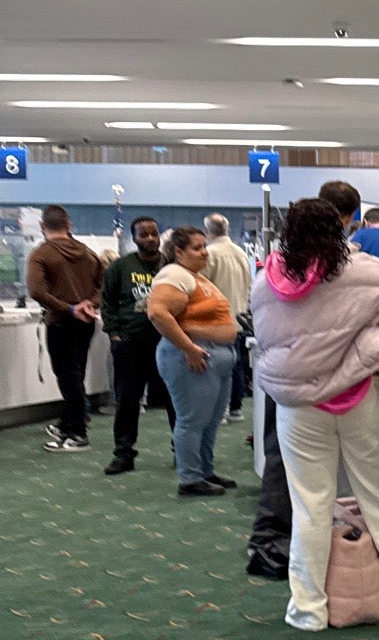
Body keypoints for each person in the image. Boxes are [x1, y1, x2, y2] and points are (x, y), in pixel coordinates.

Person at [250, 197, 379, 632]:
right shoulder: (365, 272)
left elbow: (265, 337)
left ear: (287, 233)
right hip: (359, 397)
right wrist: (374, 327)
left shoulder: (264, 282)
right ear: (340, 229)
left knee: (310, 507)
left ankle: (308, 610)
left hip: (298, 406)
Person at [147, 226, 239, 497]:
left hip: (215, 358)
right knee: (192, 421)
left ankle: (205, 471)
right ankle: (190, 478)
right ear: (178, 252)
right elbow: (157, 313)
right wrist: (188, 348)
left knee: (209, 421)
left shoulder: (195, 277)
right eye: (197, 248)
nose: (204, 253)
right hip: (193, 358)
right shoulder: (174, 274)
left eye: (204, 247)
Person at [100, 215, 175, 475]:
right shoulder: (120, 267)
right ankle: (123, 454)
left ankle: (182, 451)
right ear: (134, 238)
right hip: (129, 345)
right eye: (144, 234)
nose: (151, 238)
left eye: (154, 233)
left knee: (174, 400)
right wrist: (115, 334)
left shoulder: (171, 266)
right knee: (127, 401)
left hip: (166, 343)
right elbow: (107, 302)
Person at [26, 203, 104, 452]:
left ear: (42, 226)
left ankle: (78, 434)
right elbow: (103, 286)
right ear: (69, 225)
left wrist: (69, 309)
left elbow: (36, 291)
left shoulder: (41, 254)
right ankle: (67, 424)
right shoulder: (88, 253)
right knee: (76, 375)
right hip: (86, 322)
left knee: (68, 378)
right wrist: (88, 305)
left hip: (61, 322)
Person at [202, 214, 254, 421]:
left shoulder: (209, 254)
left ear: (207, 231)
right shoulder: (241, 253)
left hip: (216, 321)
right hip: (239, 319)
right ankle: (235, 408)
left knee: (217, 367)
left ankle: (220, 411)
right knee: (236, 364)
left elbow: (201, 287)